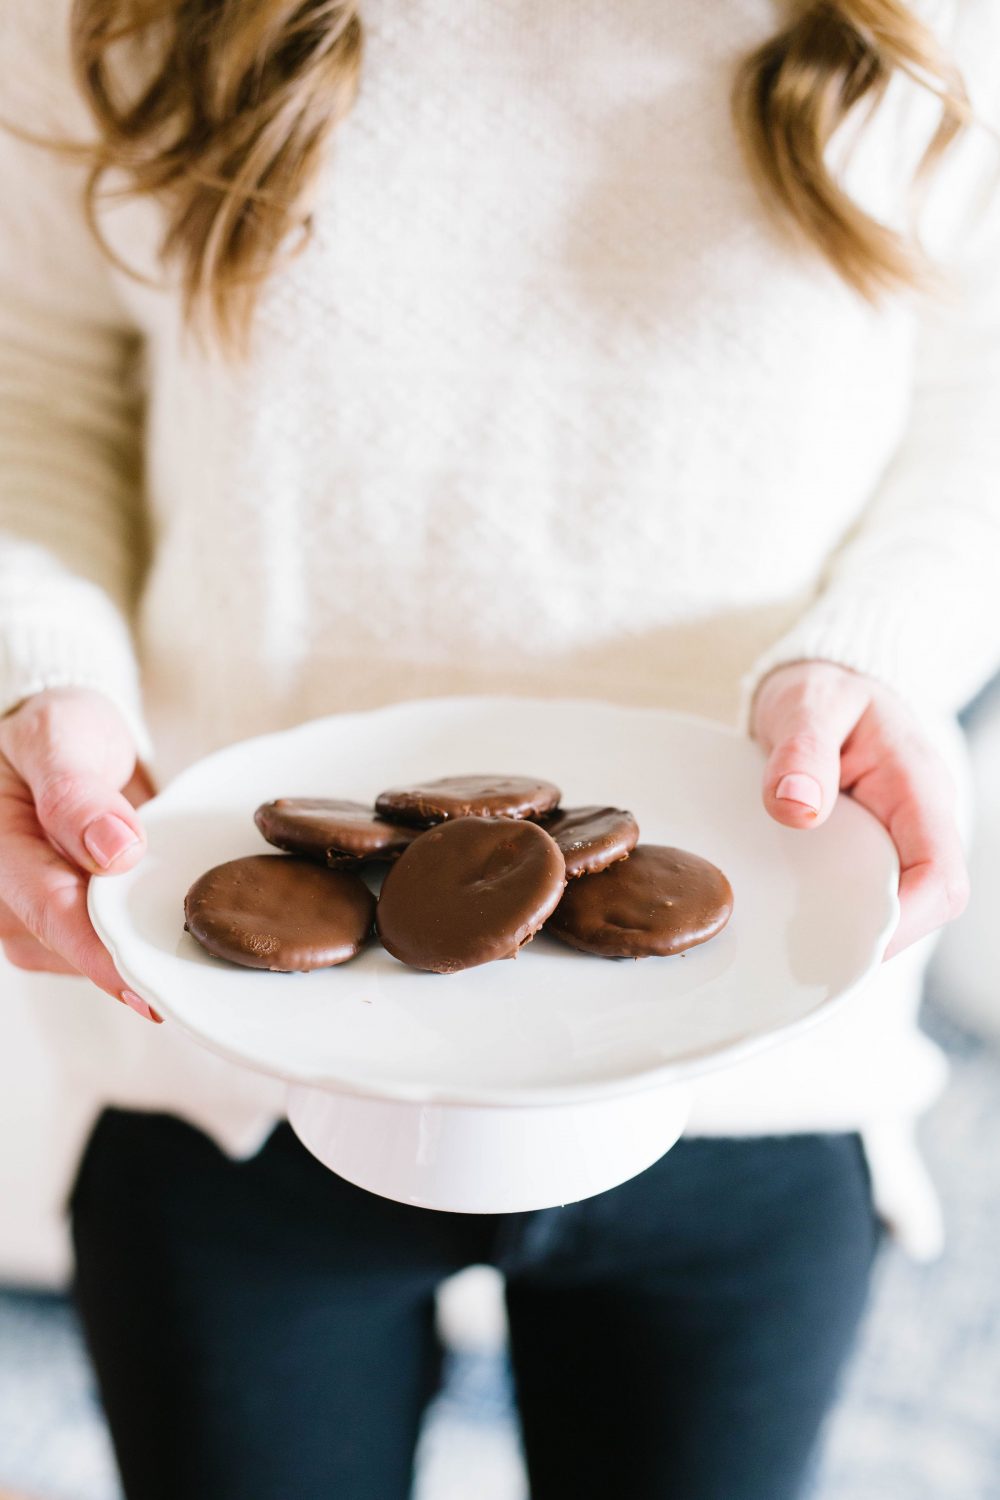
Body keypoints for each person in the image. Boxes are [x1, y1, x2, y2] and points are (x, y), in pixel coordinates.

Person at [1, 1, 998, 1496]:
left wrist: (880, 653)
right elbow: (38, 400)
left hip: (756, 1041)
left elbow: (972, 420)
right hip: (231, 1062)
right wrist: (41, 681)